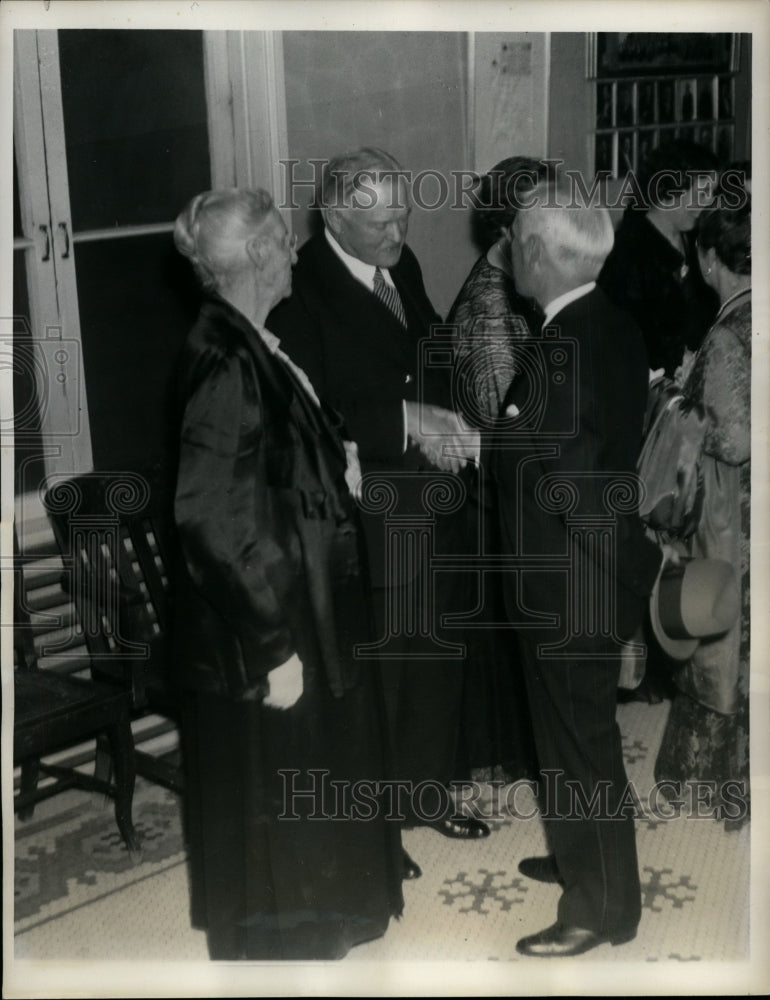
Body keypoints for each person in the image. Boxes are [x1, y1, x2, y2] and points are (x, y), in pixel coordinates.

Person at [172, 188, 404, 960]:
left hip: (302, 600)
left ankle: (324, 926)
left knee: (311, 774)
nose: (293, 256)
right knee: (282, 786)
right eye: (283, 242)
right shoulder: (224, 359)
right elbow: (205, 516)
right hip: (269, 623)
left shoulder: (249, 339)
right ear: (263, 256)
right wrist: (274, 647)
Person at [268, 147, 488, 850]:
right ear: (333, 217)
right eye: (379, 225)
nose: (396, 236)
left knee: (436, 659)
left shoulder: (403, 264)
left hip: (435, 496)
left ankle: (428, 792)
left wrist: (456, 422)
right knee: (387, 669)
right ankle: (379, 833)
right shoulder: (297, 290)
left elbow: (429, 355)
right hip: (373, 515)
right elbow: (309, 411)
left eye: (403, 217)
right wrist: (406, 421)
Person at [493, 178, 663, 957]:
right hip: (582, 578)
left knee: (579, 745)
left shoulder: (560, 348)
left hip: (569, 585)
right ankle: (577, 855)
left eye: (515, 240)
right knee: (569, 738)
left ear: (537, 254)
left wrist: (621, 593)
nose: (507, 251)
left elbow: (577, 487)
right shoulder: (609, 322)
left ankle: (600, 907)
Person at [446, 156, 547, 785]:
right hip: (492, 494)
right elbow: (499, 423)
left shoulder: (522, 285)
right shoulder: (487, 307)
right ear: (509, 226)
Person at [654, 198, 751, 830]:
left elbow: (734, 438)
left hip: (733, 509)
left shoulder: (726, 332)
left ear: (709, 256)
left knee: (722, 633)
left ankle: (716, 783)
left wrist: (675, 395)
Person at [598, 139, 719, 379]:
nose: (707, 203)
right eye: (701, 193)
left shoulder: (698, 238)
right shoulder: (626, 257)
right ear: (669, 191)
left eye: (711, 193)